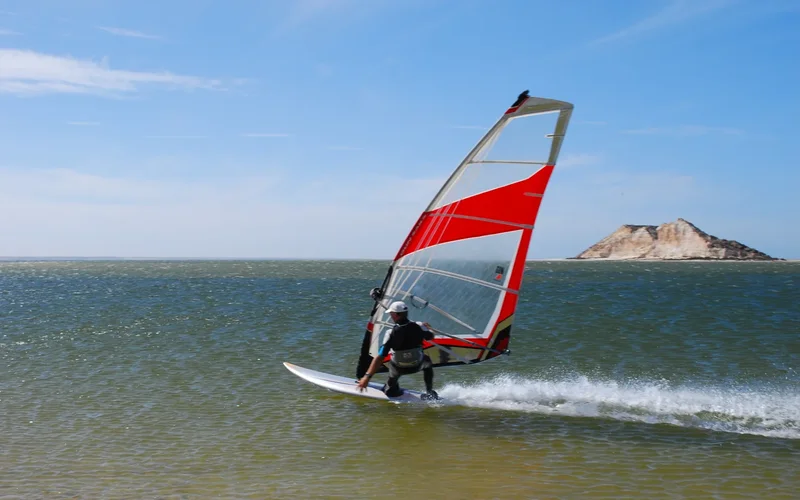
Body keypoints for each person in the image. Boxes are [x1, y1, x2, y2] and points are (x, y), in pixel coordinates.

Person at [356, 300, 439, 400]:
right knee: (427, 361)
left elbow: (380, 357)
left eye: (391, 313)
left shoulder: (390, 333)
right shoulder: (419, 327)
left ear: (396, 315)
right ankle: (429, 391)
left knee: (392, 364)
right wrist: (429, 328)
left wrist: (367, 377)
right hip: (417, 365)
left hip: (398, 368)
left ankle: (391, 387)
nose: (390, 315)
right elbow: (431, 336)